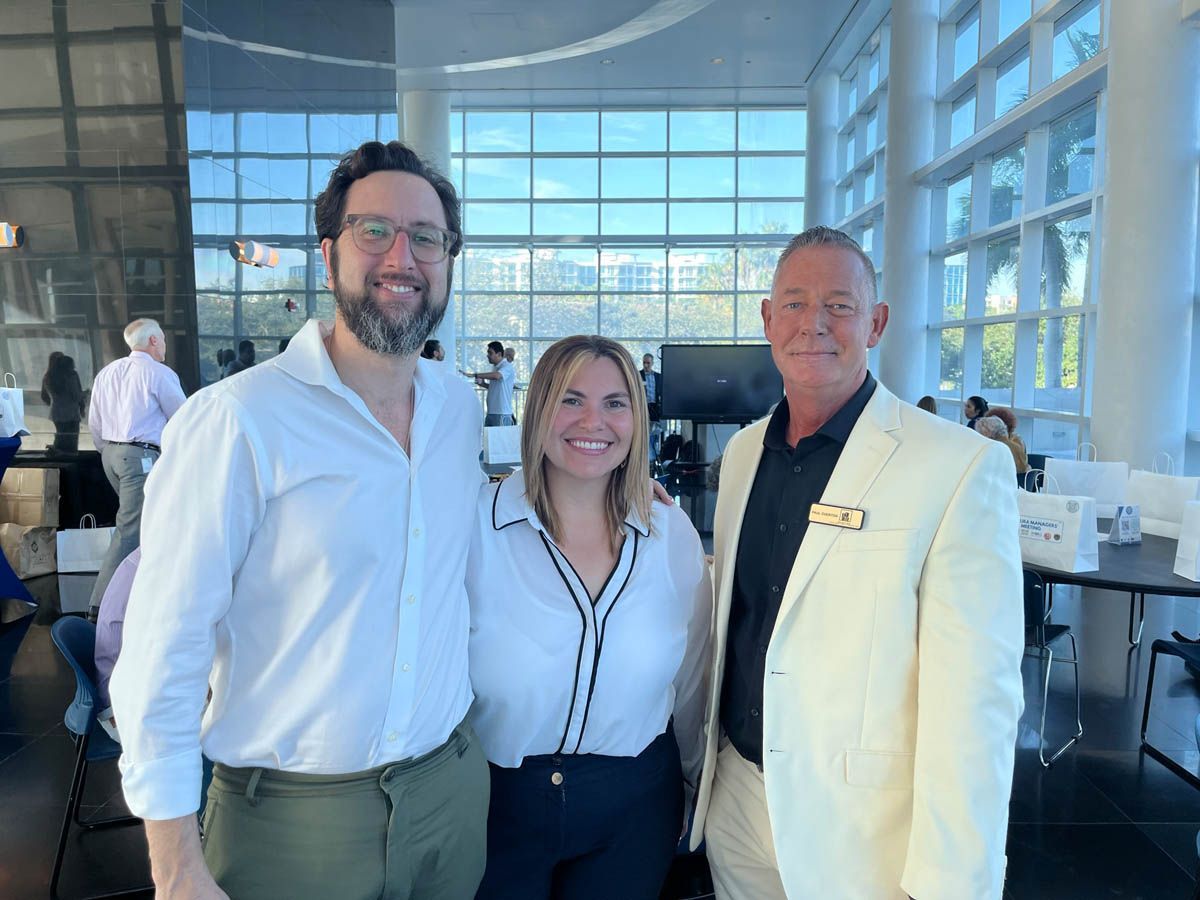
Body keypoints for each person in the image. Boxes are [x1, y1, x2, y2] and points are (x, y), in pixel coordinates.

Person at [110, 140, 490, 900]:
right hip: (291, 824)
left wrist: (618, 492)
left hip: (448, 797)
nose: (403, 257)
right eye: (374, 230)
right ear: (329, 256)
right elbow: (164, 645)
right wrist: (177, 866)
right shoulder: (239, 420)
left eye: (427, 237)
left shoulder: (458, 410)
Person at [691, 226, 1024, 900]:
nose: (814, 324)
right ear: (766, 320)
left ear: (875, 323)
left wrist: (952, 882)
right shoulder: (743, 457)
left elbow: (976, 704)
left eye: (839, 305)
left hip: (863, 837)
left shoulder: (957, 466)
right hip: (735, 801)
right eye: (794, 303)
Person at [466, 335, 711, 900]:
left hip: (633, 805)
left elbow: (693, 674)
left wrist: (694, 782)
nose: (592, 421)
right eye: (570, 400)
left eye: (615, 403)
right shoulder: (476, 526)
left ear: (637, 418)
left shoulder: (669, 534)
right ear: (539, 411)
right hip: (494, 803)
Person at [86, 318, 186, 618]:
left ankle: (135, 598)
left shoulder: (108, 373)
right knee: (131, 531)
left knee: (143, 526)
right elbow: (183, 419)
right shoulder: (158, 373)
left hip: (112, 457)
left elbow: (94, 423)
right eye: (164, 339)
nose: (165, 344)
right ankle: (100, 607)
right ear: (154, 341)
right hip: (138, 458)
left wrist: (112, 452)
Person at [43, 354, 86, 451]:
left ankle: (56, 453)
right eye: (72, 365)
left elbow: (46, 396)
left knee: (61, 437)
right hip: (71, 414)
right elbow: (75, 396)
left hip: (57, 413)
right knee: (71, 441)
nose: (74, 367)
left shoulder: (49, 377)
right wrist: (86, 393)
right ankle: (69, 459)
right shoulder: (71, 376)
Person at [467, 340, 516, 426]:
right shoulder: (495, 367)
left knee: (500, 439)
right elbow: (495, 388)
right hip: (491, 412)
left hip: (502, 413)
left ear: (499, 354)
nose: (488, 356)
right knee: (489, 439)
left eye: (490, 353)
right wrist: (483, 384)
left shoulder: (507, 366)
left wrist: (475, 375)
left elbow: (497, 376)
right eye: (488, 353)